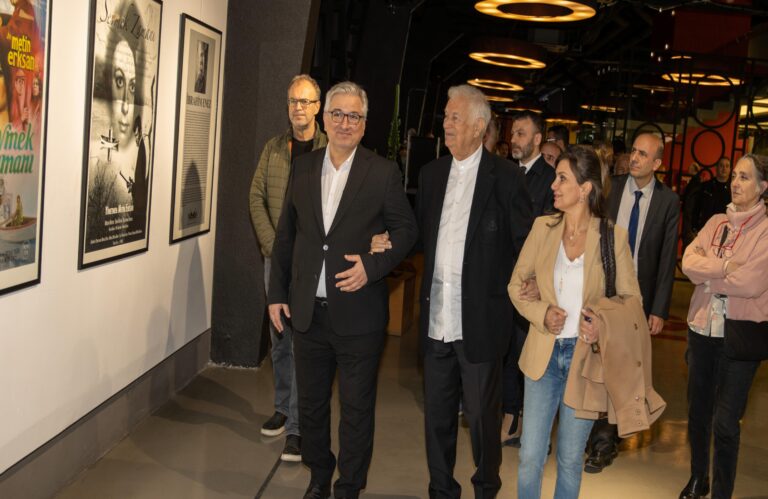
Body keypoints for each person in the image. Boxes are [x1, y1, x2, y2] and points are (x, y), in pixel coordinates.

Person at [370, 84, 532, 498]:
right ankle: (441, 489)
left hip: (480, 322)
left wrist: (528, 290)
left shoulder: (506, 179)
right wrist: (388, 240)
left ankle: (486, 487)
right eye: (445, 116)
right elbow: (419, 235)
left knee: (481, 418)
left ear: (479, 127)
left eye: (454, 117)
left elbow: (524, 247)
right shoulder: (432, 174)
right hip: (437, 319)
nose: (446, 124)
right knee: (437, 417)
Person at [268, 81, 418, 499]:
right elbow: (286, 236)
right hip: (307, 314)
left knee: (355, 410)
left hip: (359, 316)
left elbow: (407, 230)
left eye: (354, 116)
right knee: (312, 407)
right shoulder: (303, 168)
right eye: (338, 114)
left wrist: (372, 266)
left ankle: (349, 486)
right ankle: (319, 476)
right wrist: (276, 294)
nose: (345, 123)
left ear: (364, 124)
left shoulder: (382, 172)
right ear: (326, 118)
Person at [508, 145, 642, 499]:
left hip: (585, 361)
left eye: (562, 178)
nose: (553, 185)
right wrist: (542, 312)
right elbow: (516, 284)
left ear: (584, 189)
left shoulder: (612, 237)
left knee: (569, 459)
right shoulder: (543, 228)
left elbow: (631, 301)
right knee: (530, 456)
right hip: (543, 356)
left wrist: (601, 324)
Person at [584, 132, 680, 473]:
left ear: (657, 163)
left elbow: (667, 258)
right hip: (602, 291)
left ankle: (604, 439)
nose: (634, 158)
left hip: (637, 298)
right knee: (596, 363)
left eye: (643, 154)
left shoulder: (668, 201)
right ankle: (598, 436)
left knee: (621, 368)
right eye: (634, 152)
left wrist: (659, 308)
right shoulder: (611, 188)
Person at [680, 154, 768, 499]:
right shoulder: (716, 221)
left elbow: (751, 283)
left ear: (763, 186)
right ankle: (698, 477)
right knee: (697, 412)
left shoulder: (765, 231)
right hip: (702, 330)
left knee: (726, 422)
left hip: (739, 337)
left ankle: (721, 492)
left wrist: (709, 275)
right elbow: (689, 261)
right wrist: (725, 267)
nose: (735, 183)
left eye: (745, 177)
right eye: (734, 176)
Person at [249, 74, 327, 462]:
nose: (299, 108)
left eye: (305, 101)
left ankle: (296, 427)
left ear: (318, 107)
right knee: (280, 338)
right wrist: (272, 246)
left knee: (302, 343)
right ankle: (282, 408)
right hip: (276, 260)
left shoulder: (331, 150)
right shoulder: (274, 148)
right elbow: (256, 197)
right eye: (294, 101)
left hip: (312, 264)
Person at [502, 110, 556, 446]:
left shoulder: (551, 179)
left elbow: (550, 236)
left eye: (521, 133)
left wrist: (537, 278)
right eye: (513, 133)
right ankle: (509, 415)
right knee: (504, 349)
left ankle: (528, 423)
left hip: (530, 283)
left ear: (537, 139)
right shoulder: (503, 172)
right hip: (501, 279)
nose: (513, 139)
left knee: (527, 353)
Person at [690, 157, 732, 236]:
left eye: (727, 166)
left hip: (726, 232)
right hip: (706, 229)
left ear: (730, 169)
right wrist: (694, 227)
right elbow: (696, 208)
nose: (724, 168)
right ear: (716, 168)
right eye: (721, 165)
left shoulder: (734, 190)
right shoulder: (706, 187)